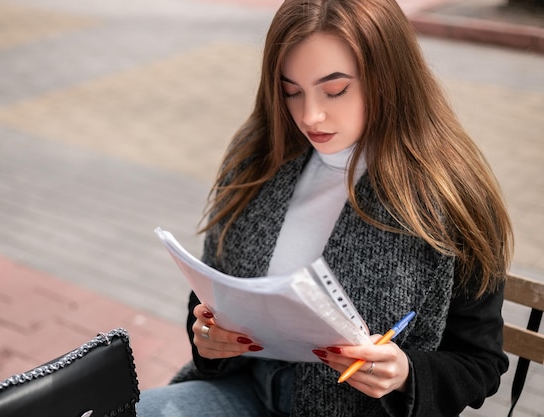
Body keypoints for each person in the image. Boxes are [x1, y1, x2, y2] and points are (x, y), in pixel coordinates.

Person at [136, 0, 513, 415]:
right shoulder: (259, 157)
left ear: (389, 78)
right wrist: (208, 338)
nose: (310, 115)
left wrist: (406, 373)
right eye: (291, 91)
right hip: (247, 390)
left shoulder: (449, 195)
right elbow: (213, 289)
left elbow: (480, 363)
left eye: (335, 90)